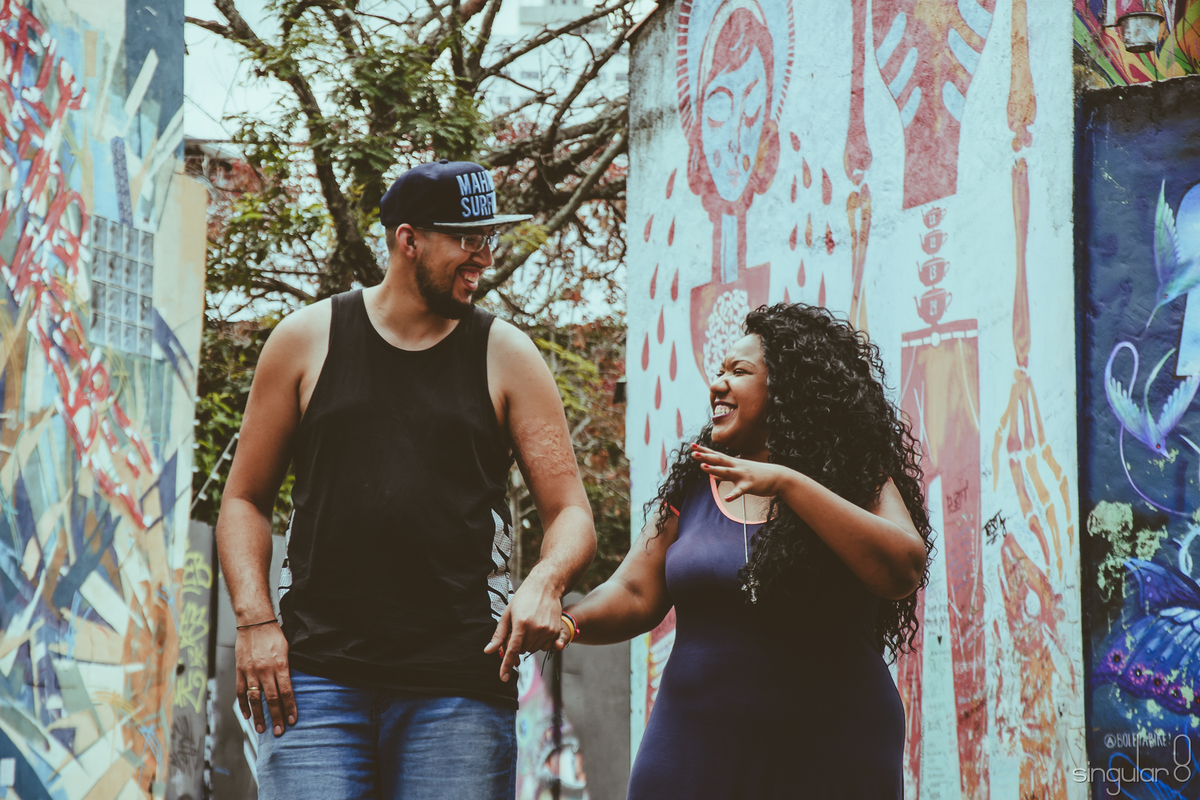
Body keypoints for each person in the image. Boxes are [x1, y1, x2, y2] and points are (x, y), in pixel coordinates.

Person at [215, 159, 596, 800]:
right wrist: (254, 625)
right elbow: (244, 500)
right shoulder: (306, 341)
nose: (484, 258)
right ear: (408, 238)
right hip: (314, 683)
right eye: (468, 240)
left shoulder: (508, 356)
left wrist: (545, 581)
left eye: (489, 239)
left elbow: (572, 514)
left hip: (459, 687)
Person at [560, 303, 932, 799]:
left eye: (739, 371)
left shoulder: (855, 476)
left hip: (831, 753)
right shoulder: (696, 481)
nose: (718, 383)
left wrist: (787, 483)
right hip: (692, 752)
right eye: (719, 371)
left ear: (792, 391)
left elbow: (902, 567)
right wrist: (566, 623)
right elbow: (632, 591)